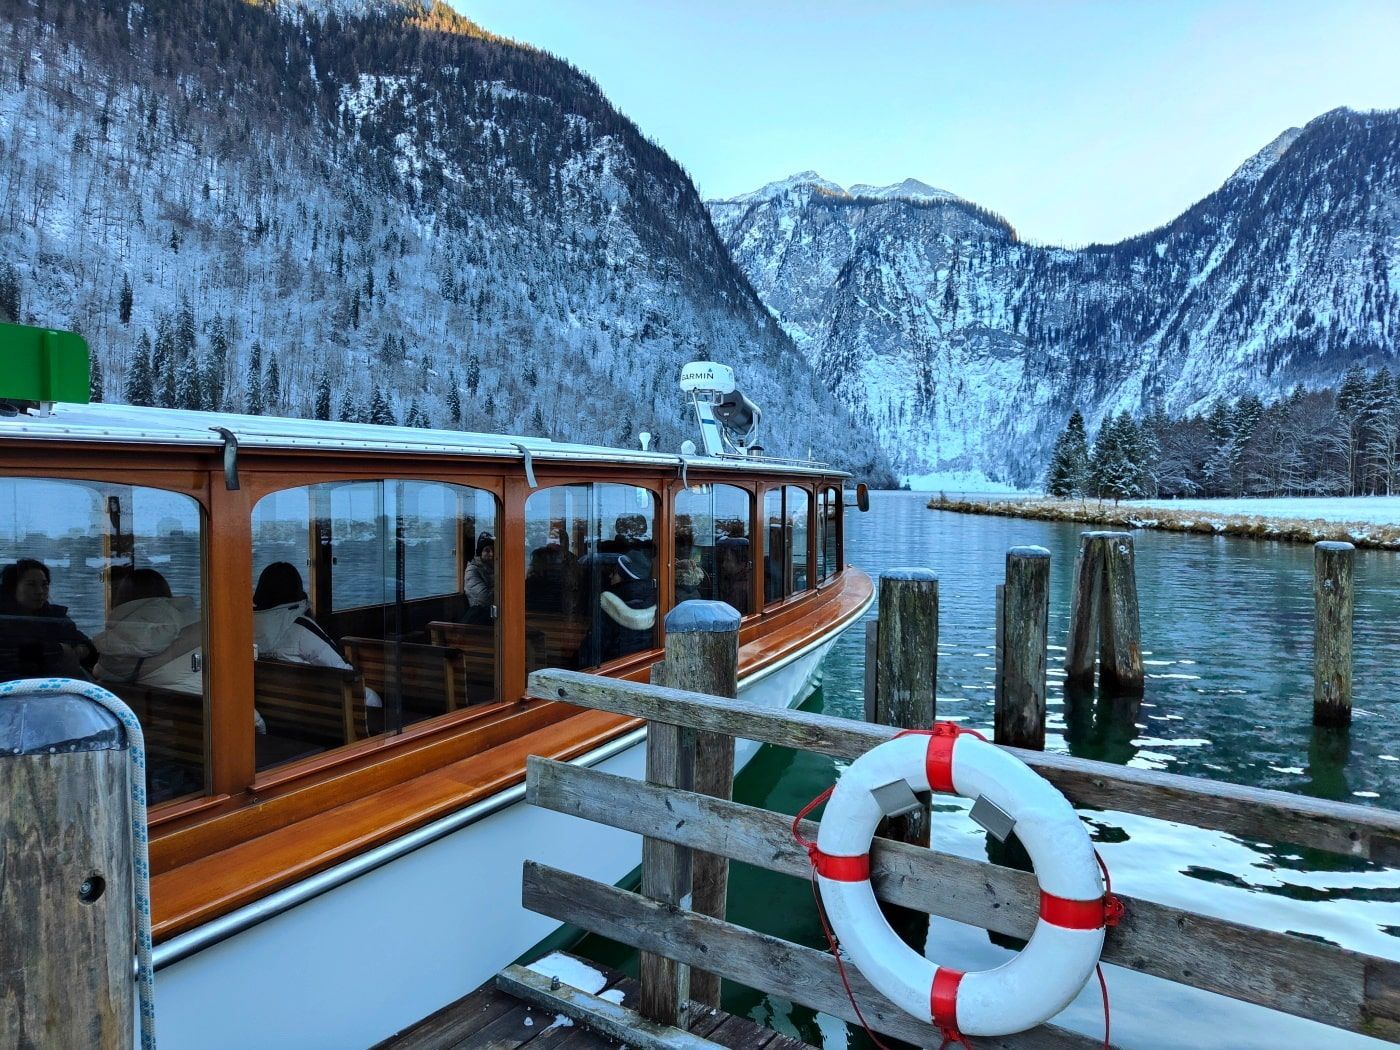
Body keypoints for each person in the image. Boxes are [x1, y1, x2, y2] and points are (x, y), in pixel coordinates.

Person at [253, 562, 381, 708]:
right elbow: (342, 671)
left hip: (271, 710)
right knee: (372, 698)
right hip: (308, 708)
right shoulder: (300, 626)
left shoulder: (246, 626)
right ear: (297, 590)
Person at [93, 568, 203, 693]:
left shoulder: (118, 638)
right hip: (208, 699)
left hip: (161, 706)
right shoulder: (197, 620)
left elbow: (102, 673)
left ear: (121, 597)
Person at [0, 558, 95, 681]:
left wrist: (78, 651)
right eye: (31, 584)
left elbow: (88, 646)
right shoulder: (4, 619)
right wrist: (60, 651)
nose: (40, 591)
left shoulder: (55, 616)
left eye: (44, 585)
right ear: (12, 588)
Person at [580, 549, 657, 666]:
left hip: (609, 671)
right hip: (642, 665)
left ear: (625, 576)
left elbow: (590, 652)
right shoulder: (654, 599)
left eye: (615, 572)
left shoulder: (608, 604)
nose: (610, 575)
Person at [462, 533, 495, 623]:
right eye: (487, 550)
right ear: (480, 552)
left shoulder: (498, 569)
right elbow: (484, 598)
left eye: (494, 550)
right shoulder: (472, 570)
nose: (491, 554)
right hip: (481, 618)